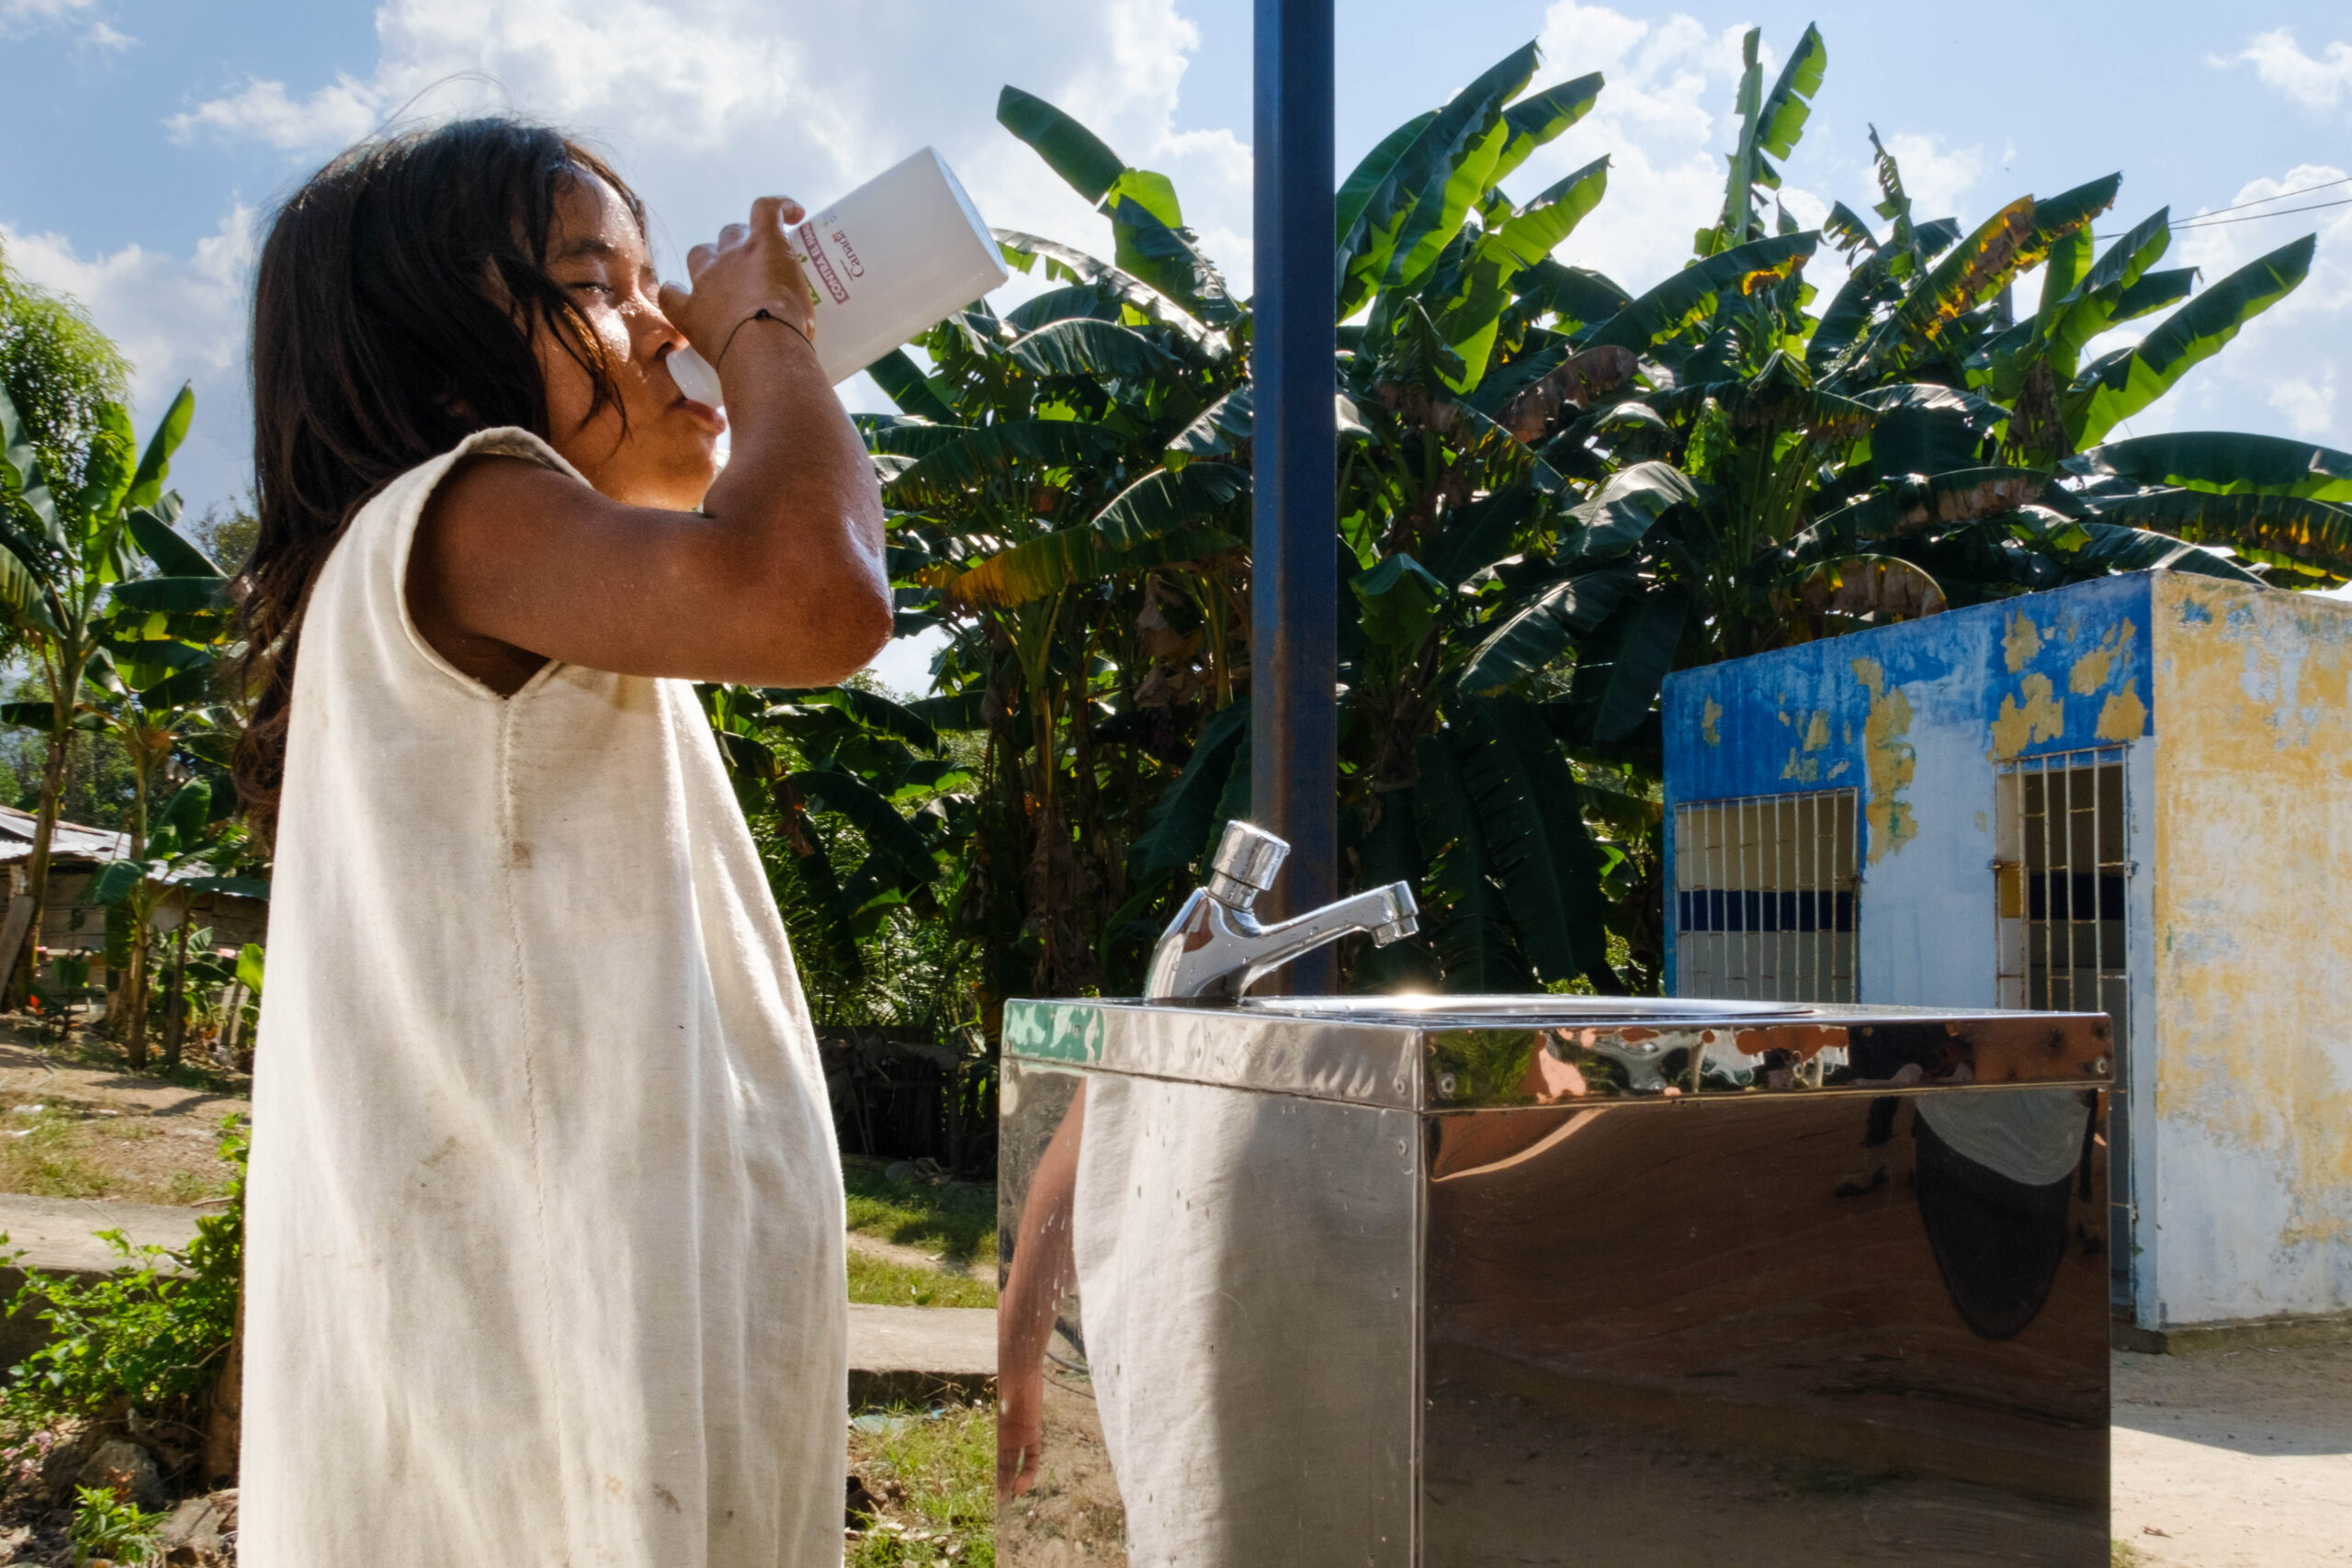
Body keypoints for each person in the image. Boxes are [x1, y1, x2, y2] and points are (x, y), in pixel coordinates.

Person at [231, 118, 889, 1566]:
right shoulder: (461, 515)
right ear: (436, 342)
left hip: (611, 1392)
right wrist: (771, 329)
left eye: (667, 287)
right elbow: (814, 597)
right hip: (565, 1412)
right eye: (597, 283)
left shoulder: (526, 595)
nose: (669, 330)